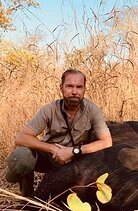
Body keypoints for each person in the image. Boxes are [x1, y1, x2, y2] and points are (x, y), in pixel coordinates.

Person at [5, 68, 112, 196]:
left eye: (79, 87)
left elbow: (106, 141)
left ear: (84, 89)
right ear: (61, 87)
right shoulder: (49, 109)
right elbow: (21, 138)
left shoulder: (93, 110)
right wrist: (53, 149)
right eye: (69, 86)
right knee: (22, 155)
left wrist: (73, 151)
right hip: (49, 156)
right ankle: (27, 197)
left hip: (75, 159)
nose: (74, 91)